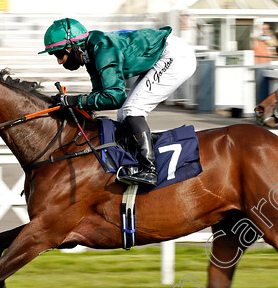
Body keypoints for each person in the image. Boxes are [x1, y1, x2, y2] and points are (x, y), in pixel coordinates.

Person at [40, 18, 197, 187]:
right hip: (165, 54)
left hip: (175, 56)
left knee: (132, 110)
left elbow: (114, 97)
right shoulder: (91, 51)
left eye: (59, 54)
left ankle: (150, 171)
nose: (59, 61)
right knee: (123, 114)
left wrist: (73, 100)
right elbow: (100, 95)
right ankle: (137, 160)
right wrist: (74, 103)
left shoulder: (103, 50)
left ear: (73, 45)